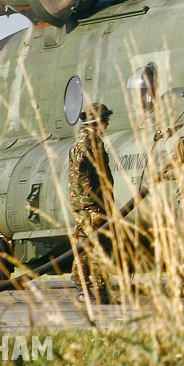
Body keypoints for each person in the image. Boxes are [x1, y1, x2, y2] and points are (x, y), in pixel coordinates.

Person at [68, 103, 115, 303]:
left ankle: (86, 288)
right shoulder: (85, 146)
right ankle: (97, 291)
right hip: (92, 207)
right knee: (98, 247)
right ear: (97, 122)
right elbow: (82, 179)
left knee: (87, 247)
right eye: (105, 120)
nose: (107, 124)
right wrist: (92, 208)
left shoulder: (95, 143)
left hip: (97, 205)